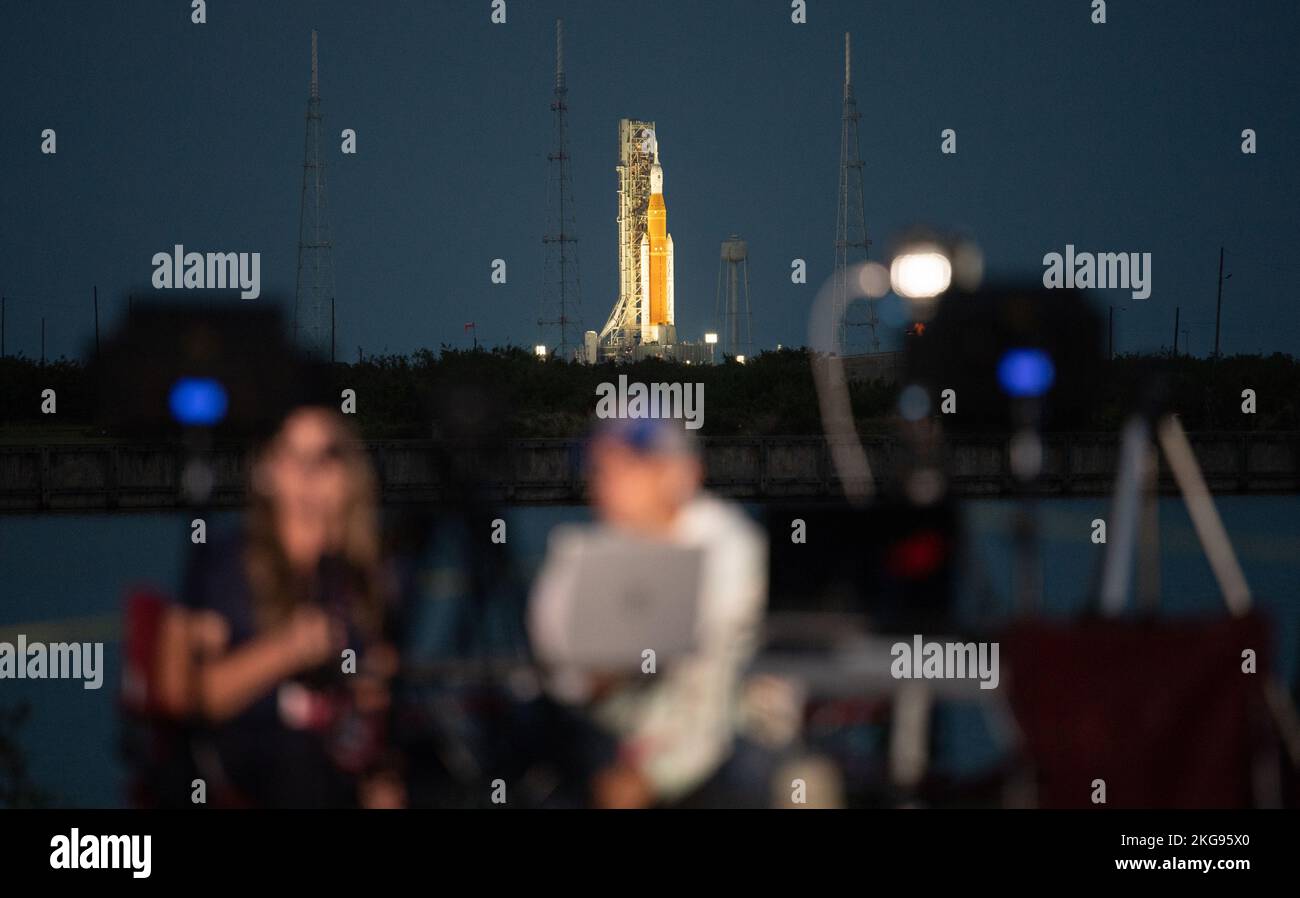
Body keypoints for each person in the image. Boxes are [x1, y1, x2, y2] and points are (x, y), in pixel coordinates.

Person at [154, 406, 401, 808]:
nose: (308, 473)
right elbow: (179, 692)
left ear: (349, 474)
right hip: (248, 771)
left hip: (342, 767)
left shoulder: (368, 575)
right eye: (292, 455)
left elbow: (373, 705)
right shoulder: (224, 564)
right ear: (266, 471)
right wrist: (285, 650)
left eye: (325, 457)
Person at [529, 417, 769, 808]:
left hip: (720, 749)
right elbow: (562, 672)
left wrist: (656, 776)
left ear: (676, 471)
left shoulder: (727, 545)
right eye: (600, 466)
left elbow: (710, 677)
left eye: (627, 464)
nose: (606, 480)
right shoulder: (576, 558)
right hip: (608, 744)